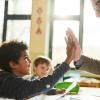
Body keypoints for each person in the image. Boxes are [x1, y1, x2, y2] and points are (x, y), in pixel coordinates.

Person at [0, 30, 75, 99]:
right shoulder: (6, 81)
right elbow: (40, 85)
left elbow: (33, 88)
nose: (30, 61)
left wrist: (53, 91)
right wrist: (68, 59)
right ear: (13, 64)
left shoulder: (10, 80)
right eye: (26, 58)